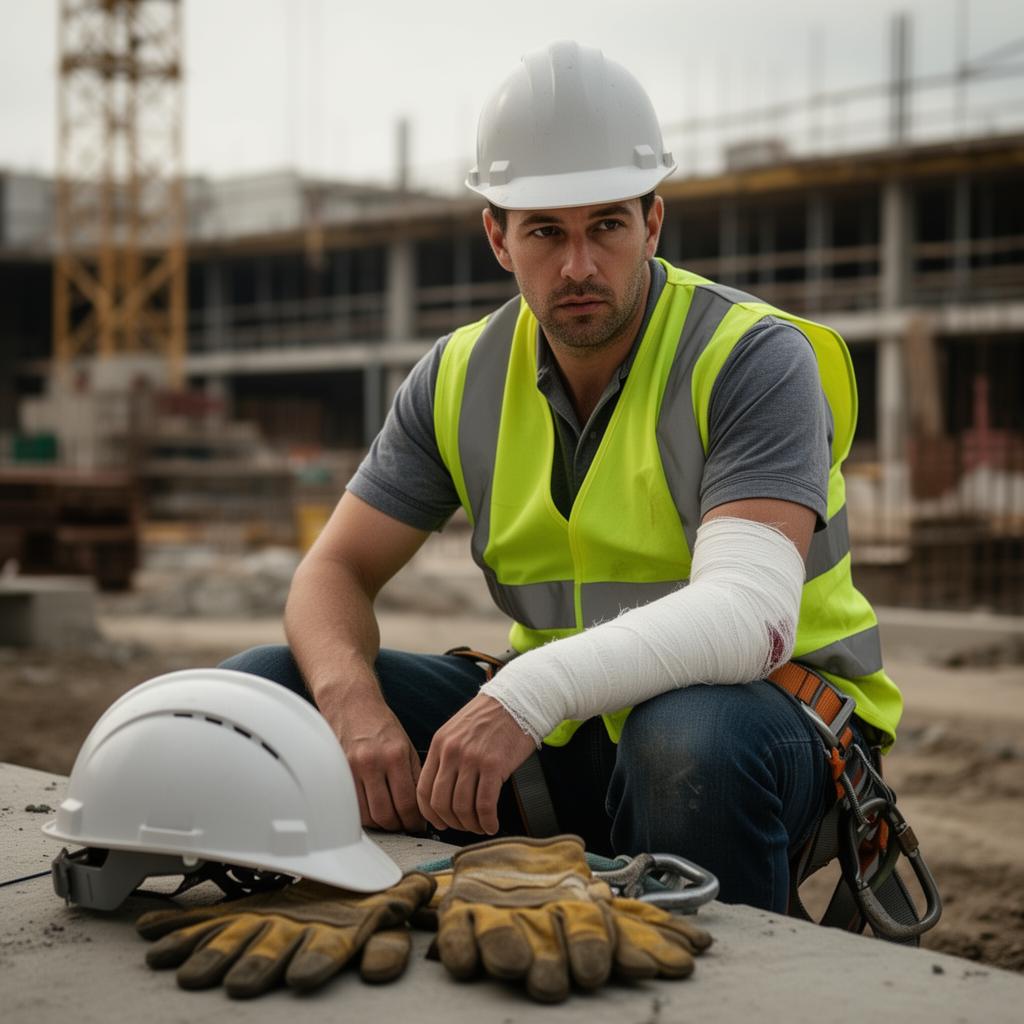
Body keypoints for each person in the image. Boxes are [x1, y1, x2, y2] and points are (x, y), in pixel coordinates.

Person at [223, 40, 903, 913]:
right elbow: (333, 571)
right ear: (498, 238)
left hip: (761, 723)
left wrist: (521, 697)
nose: (579, 266)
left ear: (653, 224)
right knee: (266, 692)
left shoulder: (750, 356)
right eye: (546, 230)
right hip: (565, 735)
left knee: (682, 740)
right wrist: (356, 709)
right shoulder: (460, 375)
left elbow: (750, 615)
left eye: (607, 226)